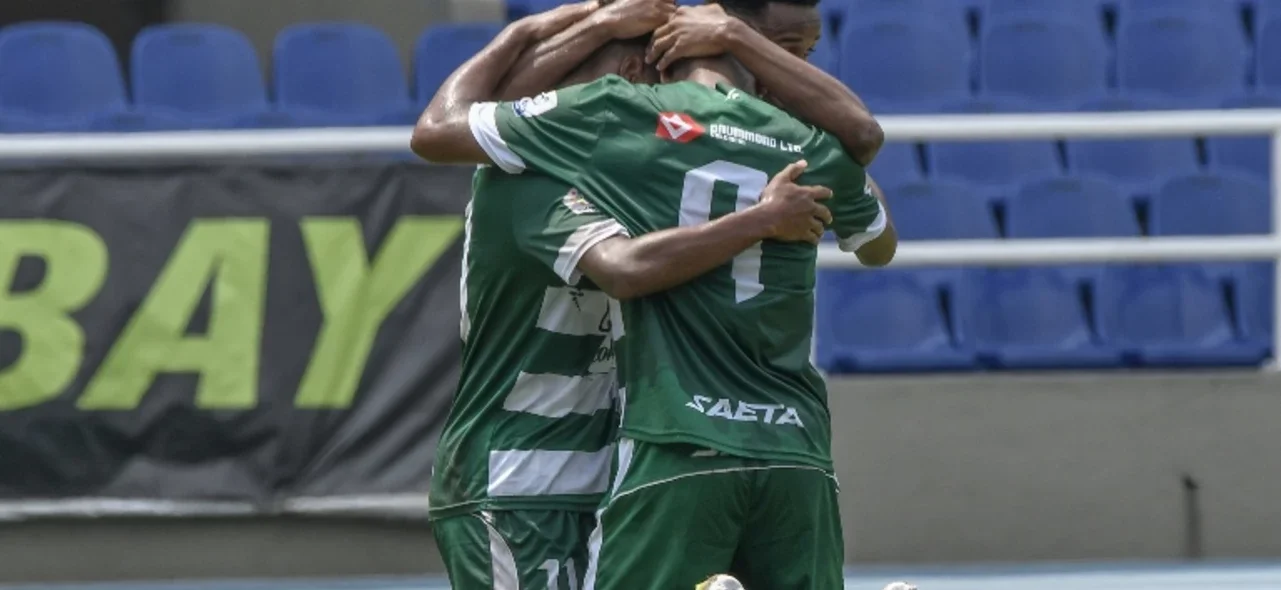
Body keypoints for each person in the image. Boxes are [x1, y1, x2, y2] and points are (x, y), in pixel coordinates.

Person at [411, 10, 898, 590]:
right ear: (631, 71)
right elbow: (625, 267)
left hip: (609, 459)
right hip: (514, 474)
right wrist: (762, 218)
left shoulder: (636, 157)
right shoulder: (533, 179)